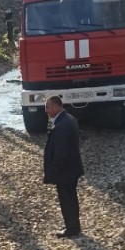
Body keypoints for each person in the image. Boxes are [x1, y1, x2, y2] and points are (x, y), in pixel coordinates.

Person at [43, 96, 84, 238]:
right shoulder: (69, 118)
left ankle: (71, 229)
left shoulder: (61, 126)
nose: (46, 110)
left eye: (47, 107)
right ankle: (74, 225)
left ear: (56, 107)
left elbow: (61, 152)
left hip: (65, 170)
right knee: (71, 197)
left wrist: (53, 170)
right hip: (72, 168)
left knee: (66, 199)